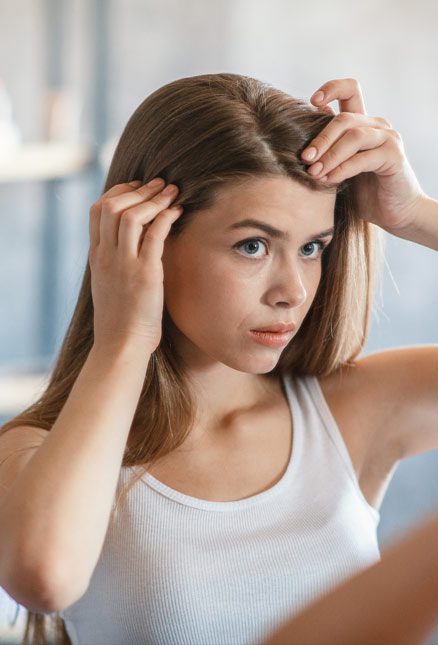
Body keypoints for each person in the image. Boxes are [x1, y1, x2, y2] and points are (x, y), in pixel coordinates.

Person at [0, 73, 437, 645]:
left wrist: (415, 214)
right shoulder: (41, 448)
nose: (293, 290)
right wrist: (125, 335)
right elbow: (44, 577)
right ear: (150, 239)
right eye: (252, 245)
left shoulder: (354, 408)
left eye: (311, 248)